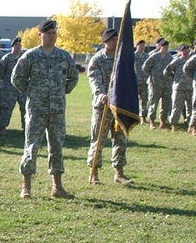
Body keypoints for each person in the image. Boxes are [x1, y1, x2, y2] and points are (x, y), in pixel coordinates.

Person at [11, 19, 79, 200]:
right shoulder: (31, 56)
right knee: (31, 146)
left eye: (54, 33)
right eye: (48, 33)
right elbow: (16, 78)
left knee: (56, 146)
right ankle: (26, 187)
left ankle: (57, 187)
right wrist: (31, 92)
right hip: (37, 109)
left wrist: (62, 91)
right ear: (40, 35)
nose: (52, 35)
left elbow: (73, 77)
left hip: (57, 110)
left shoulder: (64, 56)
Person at [86, 28, 132, 185]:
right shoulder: (97, 60)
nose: (115, 41)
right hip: (103, 106)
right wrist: (101, 95)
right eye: (112, 39)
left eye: (117, 39)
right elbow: (94, 80)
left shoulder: (122, 59)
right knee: (98, 139)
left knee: (120, 139)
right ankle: (94, 173)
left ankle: (119, 172)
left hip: (120, 107)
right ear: (105, 41)